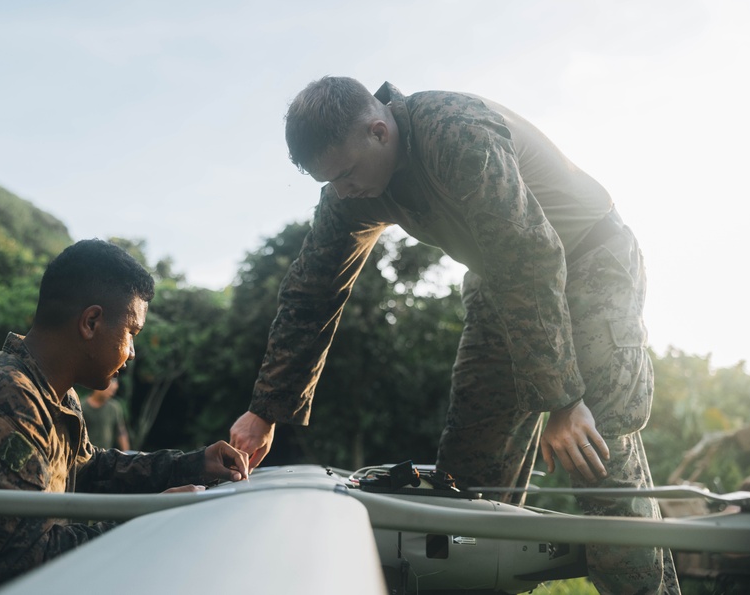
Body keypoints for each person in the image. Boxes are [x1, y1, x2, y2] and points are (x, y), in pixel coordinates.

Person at [229, 77, 679, 594]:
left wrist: (563, 400)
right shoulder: (350, 189)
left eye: (347, 174)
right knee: (465, 487)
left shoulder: (455, 132)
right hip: (501, 281)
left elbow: (528, 253)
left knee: (597, 454)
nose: (343, 190)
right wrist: (265, 408)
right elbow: (312, 291)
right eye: (329, 181)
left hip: (589, 260)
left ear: (379, 131)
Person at [0, 239, 248, 594]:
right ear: (91, 322)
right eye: (132, 332)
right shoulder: (0, 399)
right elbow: (18, 565)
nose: (132, 353)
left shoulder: (55, 394)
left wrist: (194, 465)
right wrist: (148, 521)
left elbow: (90, 471)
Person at [82, 377, 131, 451]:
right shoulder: (82, 407)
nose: (111, 393)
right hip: (86, 455)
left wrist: (126, 454)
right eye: (109, 390)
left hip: (105, 455)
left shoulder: (114, 408)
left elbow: (121, 433)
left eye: (113, 391)